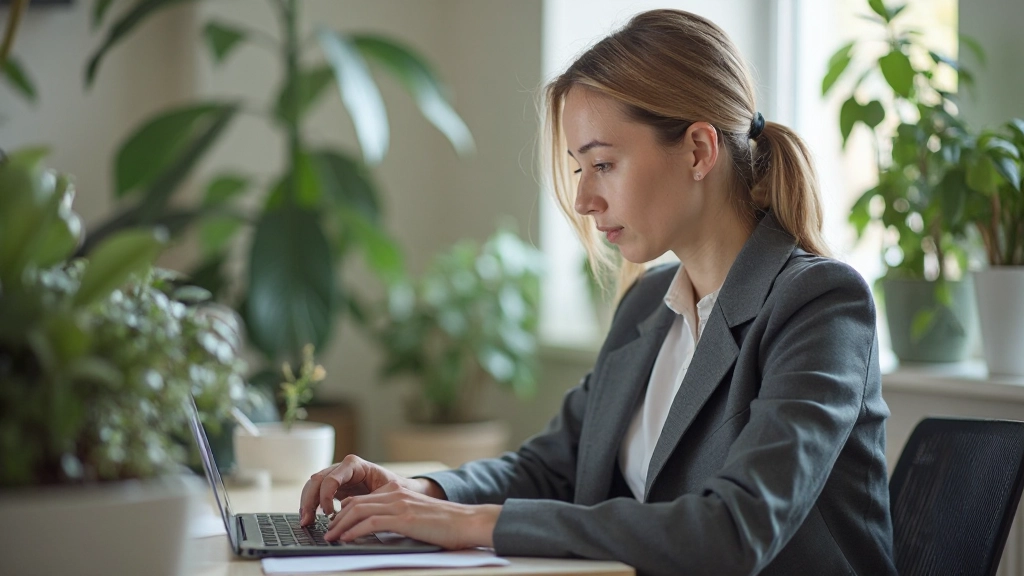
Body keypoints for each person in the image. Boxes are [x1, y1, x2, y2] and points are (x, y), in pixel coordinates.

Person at [299, 9, 896, 576]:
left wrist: (472, 524)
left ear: (698, 150)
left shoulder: (819, 305)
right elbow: (553, 466)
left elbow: (734, 530)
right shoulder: (649, 304)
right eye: (578, 169)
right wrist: (423, 492)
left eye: (603, 164)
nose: (584, 200)